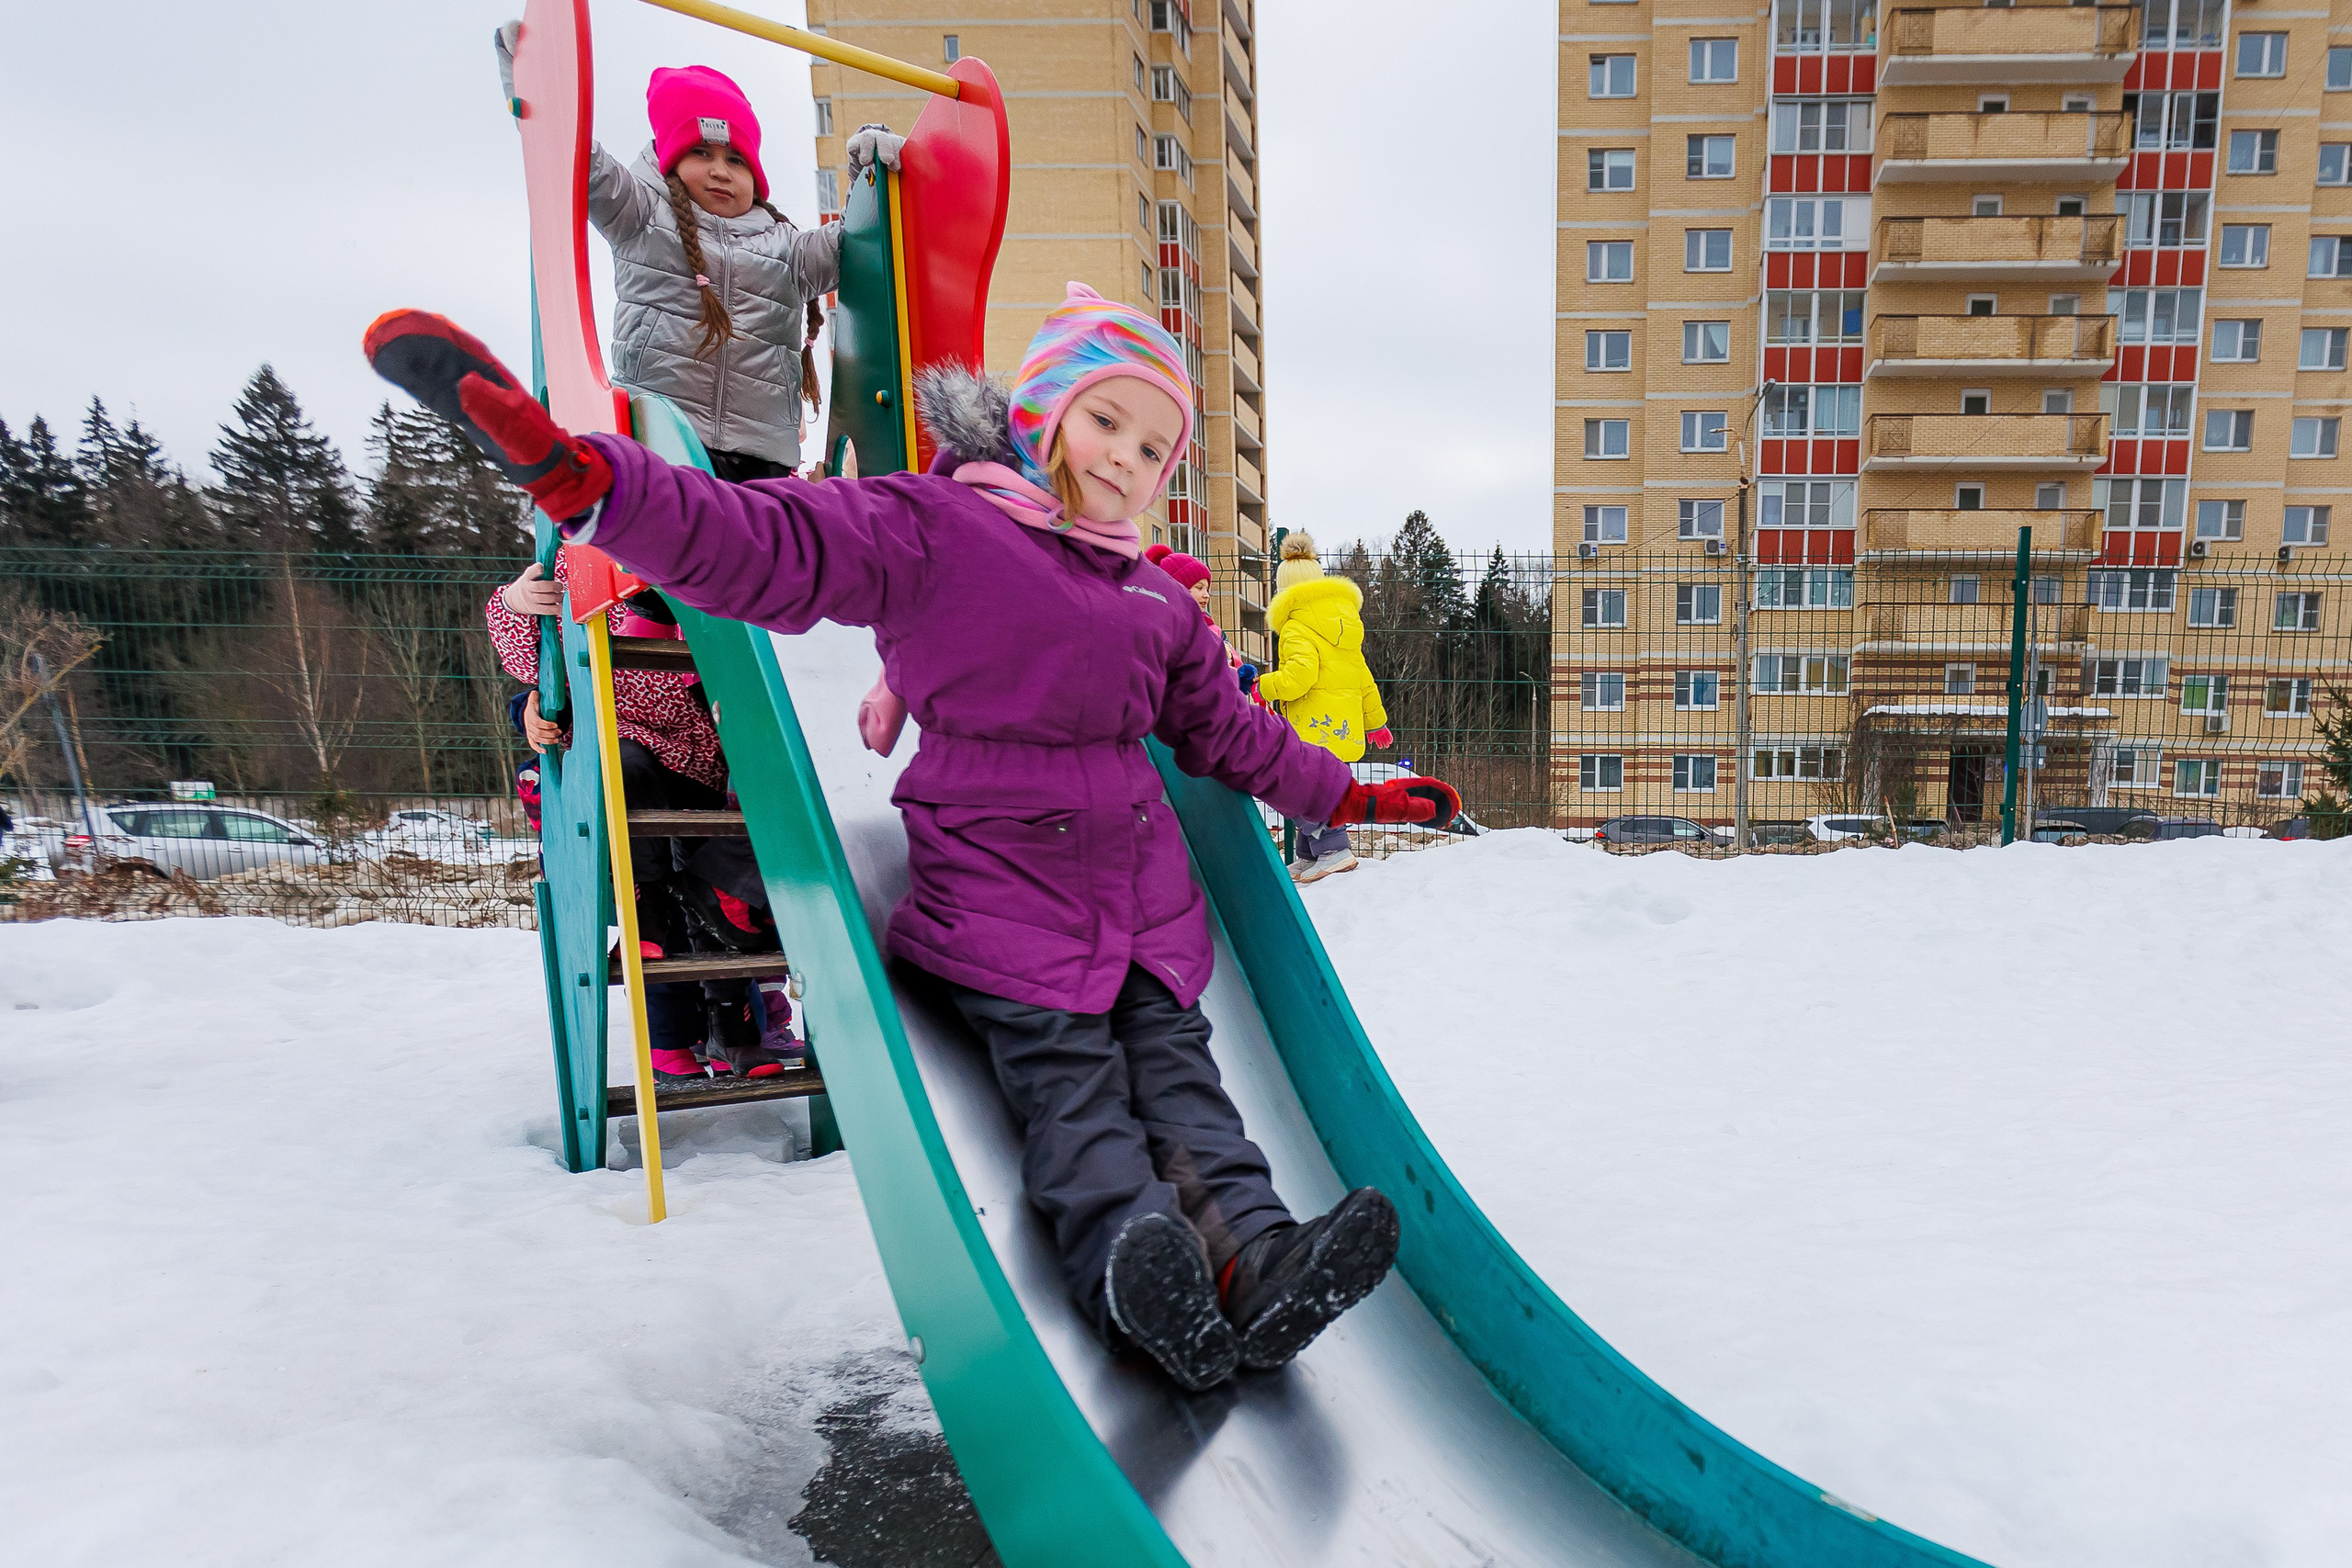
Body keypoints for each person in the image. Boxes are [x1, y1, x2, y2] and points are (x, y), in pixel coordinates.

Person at [366, 294, 1461, 1393]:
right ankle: (1132, 1264)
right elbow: (766, 544)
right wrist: (589, 484)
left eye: (1151, 446)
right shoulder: (935, 529)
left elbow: (1226, 731)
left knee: (1185, 1084)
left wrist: (1347, 798)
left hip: (1143, 908)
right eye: (1105, 422)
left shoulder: (1154, 603)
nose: (1128, 460)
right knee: (1071, 1088)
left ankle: (1254, 1262)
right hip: (1003, 900)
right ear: (1039, 414)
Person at [495, 29, 902, 480]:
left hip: (761, 456)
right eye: (700, 152)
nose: (718, 171)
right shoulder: (643, 215)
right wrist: (540, 88)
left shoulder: (786, 248)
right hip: (662, 442)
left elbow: (857, 244)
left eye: (736, 160)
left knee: (760, 545)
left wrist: (870, 175)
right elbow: (580, 163)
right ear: (669, 162)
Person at [485, 557, 803, 1079]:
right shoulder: (585, 567)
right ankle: (672, 1021)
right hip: (617, 750)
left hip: (698, 760)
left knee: (716, 894)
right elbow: (532, 654)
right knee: (658, 882)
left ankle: (735, 1028)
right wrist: (516, 606)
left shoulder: (707, 562)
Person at [1254, 532, 1396, 884]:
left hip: (1312, 727)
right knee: (1316, 787)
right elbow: (1363, 678)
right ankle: (1308, 855)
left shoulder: (1295, 626)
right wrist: (1375, 722)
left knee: (1297, 789)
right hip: (1342, 729)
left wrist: (1264, 687)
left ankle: (1334, 848)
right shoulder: (1345, 626)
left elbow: (1299, 677)